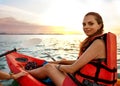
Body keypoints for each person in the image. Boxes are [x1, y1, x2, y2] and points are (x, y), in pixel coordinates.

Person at [26, 12, 113, 86]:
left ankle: (25, 73)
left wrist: (55, 66)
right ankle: (37, 70)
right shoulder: (96, 41)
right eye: (84, 24)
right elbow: (80, 63)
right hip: (85, 82)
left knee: (48, 68)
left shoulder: (98, 43)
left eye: (91, 23)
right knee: (62, 61)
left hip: (85, 84)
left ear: (99, 25)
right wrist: (61, 62)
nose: (86, 27)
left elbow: (72, 69)